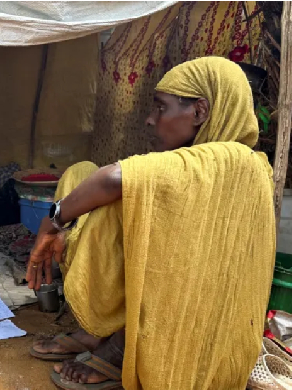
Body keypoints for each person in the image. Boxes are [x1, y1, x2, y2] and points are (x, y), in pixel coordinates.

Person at [26, 57, 276, 390]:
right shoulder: (200, 162)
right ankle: (95, 331)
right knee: (79, 175)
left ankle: (120, 346)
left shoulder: (233, 159)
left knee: (107, 201)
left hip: (190, 316)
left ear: (200, 112)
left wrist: (52, 221)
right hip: (170, 286)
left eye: (161, 108)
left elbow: (114, 180)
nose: (149, 119)